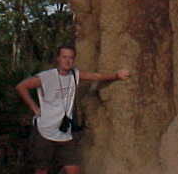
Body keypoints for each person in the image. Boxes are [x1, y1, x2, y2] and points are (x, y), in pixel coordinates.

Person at [15, 45, 130, 174]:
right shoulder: (46, 77)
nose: (67, 61)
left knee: (73, 169)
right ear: (58, 58)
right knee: (42, 170)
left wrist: (116, 75)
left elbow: (96, 76)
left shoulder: (75, 75)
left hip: (64, 132)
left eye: (71, 58)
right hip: (44, 131)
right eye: (64, 57)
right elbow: (21, 86)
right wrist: (34, 108)